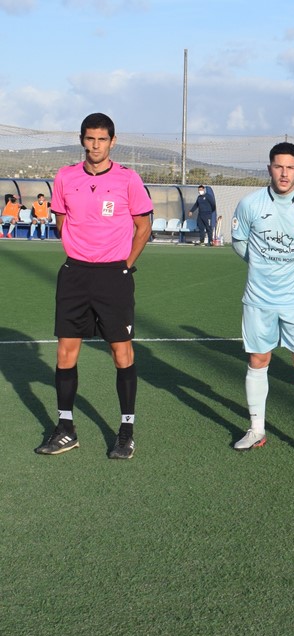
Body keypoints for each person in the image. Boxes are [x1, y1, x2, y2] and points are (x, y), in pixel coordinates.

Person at [34, 112, 154, 459]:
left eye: (102, 139)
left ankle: (126, 432)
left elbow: (143, 226)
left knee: (121, 353)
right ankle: (65, 429)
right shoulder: (65, 176)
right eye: (90, 138)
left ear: (112, 142)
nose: (95, 145)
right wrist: (81, 251)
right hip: (75, 274)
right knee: (65, 353)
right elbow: (61, 221)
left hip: (113, 276)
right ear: (82, 140)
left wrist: (124, 266)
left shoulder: (128, 179)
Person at [231, 142, 294, 459]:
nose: (284, 173)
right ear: (269, 168)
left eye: (290, 167)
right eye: (278, 166)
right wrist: (261, 266)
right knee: (258, 361)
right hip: (259, 299)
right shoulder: (250, 204)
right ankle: (256, 429)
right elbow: (238, 241)